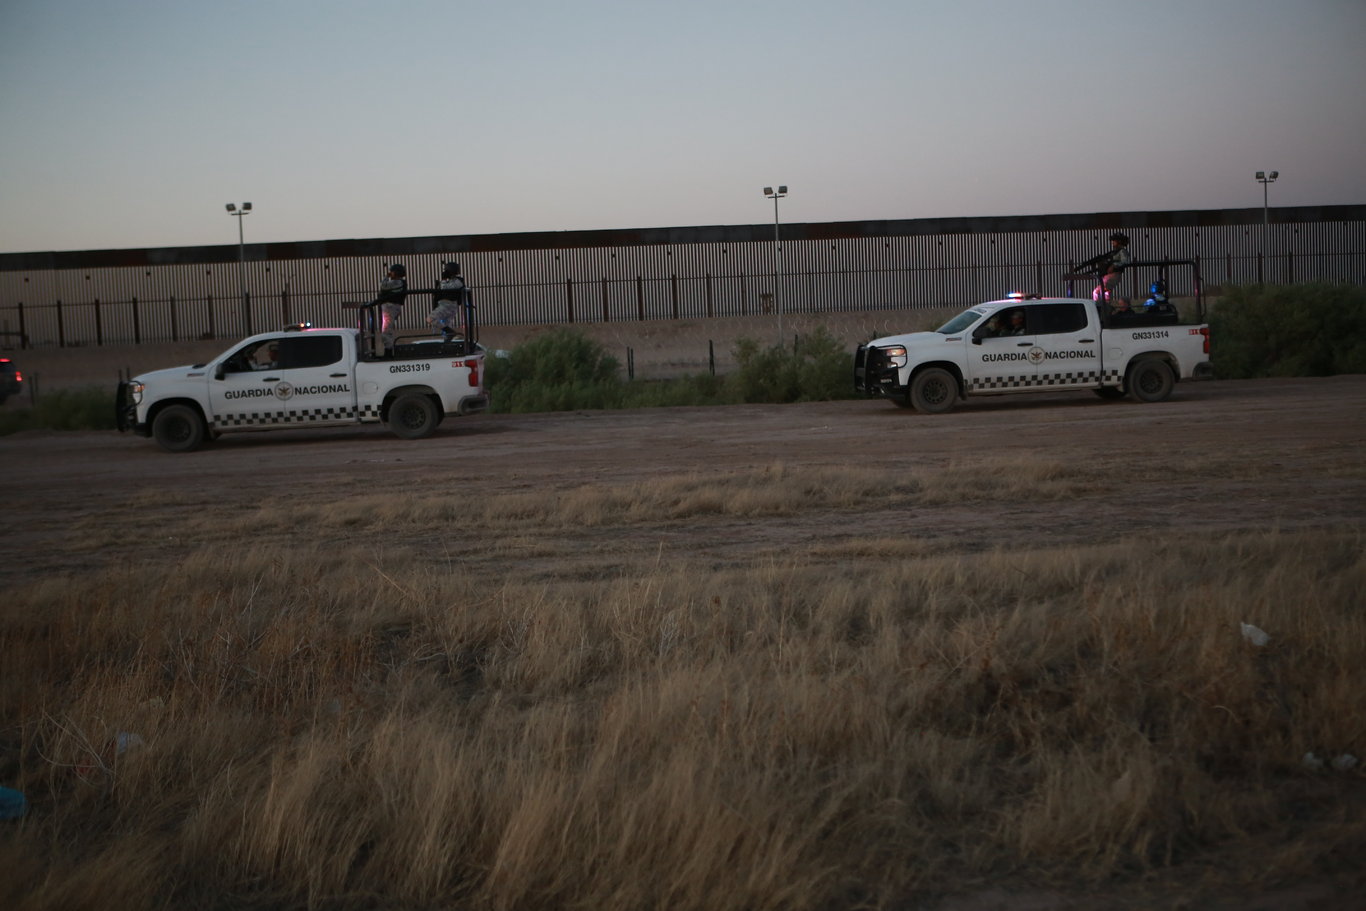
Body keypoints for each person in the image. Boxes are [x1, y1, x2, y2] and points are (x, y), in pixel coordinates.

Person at [427, 261, 467, 343]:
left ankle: (449, 332)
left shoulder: (458, 281)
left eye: (446, 271)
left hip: (448, 305)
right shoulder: (452, 281)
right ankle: (447, 340)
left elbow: (445, 288)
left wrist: (444, 280)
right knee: (446, 327)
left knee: (430, 318)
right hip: (445, 305)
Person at [374, 263, 408, 353]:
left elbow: (383, 286)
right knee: (387, 329)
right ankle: (389, 349)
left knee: (386, 330)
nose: (390, 273)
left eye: (392, 272)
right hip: (390, 307)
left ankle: (388, 351)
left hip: (390, 307)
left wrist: (385, 276)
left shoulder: (397, 282)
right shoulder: (398, 282)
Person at [1095, 232, 1132, 304]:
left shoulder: (1122, 251)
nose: (1112, 242)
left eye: (1114, 240)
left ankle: (1104, 306)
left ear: (1119, 241)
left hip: (1114, 274)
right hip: (1107, 275)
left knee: (1104, 291)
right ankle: (1099, 306)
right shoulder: (1114, 252)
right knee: (1098, 291)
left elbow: (1125, 261)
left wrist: (1114, 265)